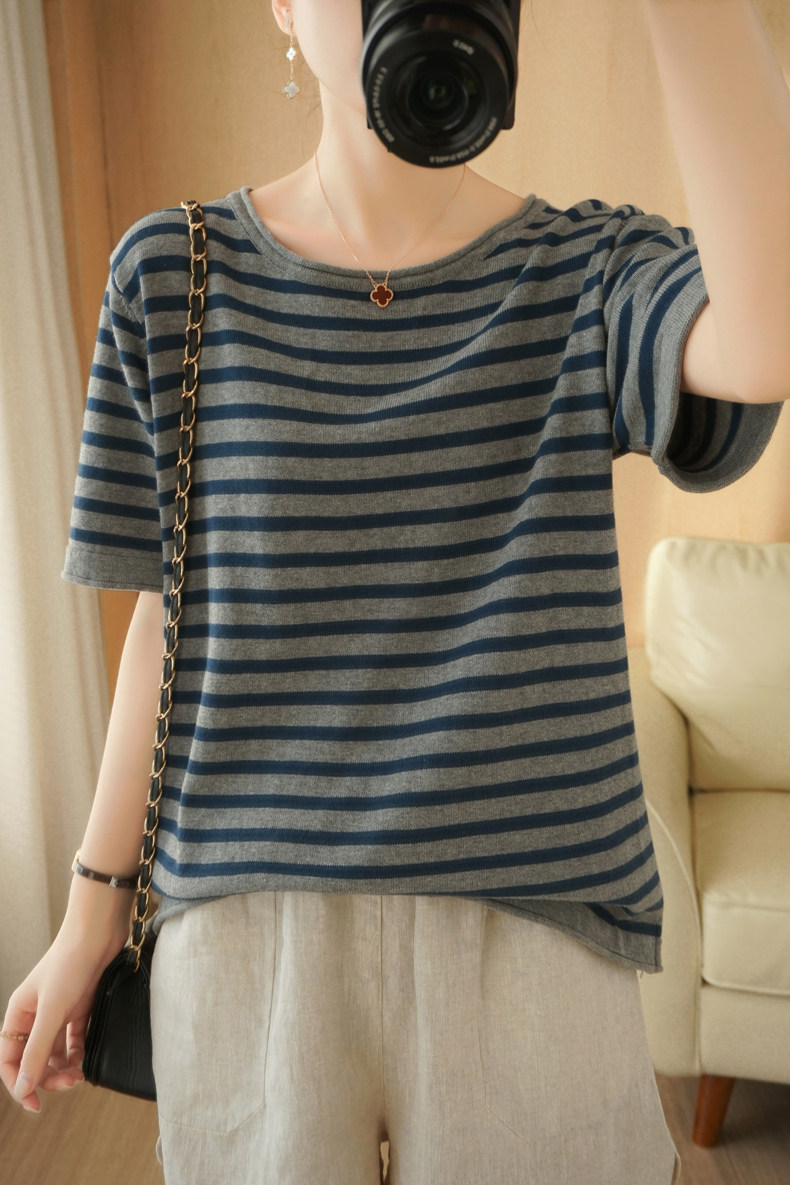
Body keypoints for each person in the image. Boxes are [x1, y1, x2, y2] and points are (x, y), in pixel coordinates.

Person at [2, 1, 787, 1182]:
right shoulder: (173, 272)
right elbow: (166, 618)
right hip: (248, 926)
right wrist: (88, 915)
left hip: (535, 922)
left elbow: (765, 339)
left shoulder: (591, 270)